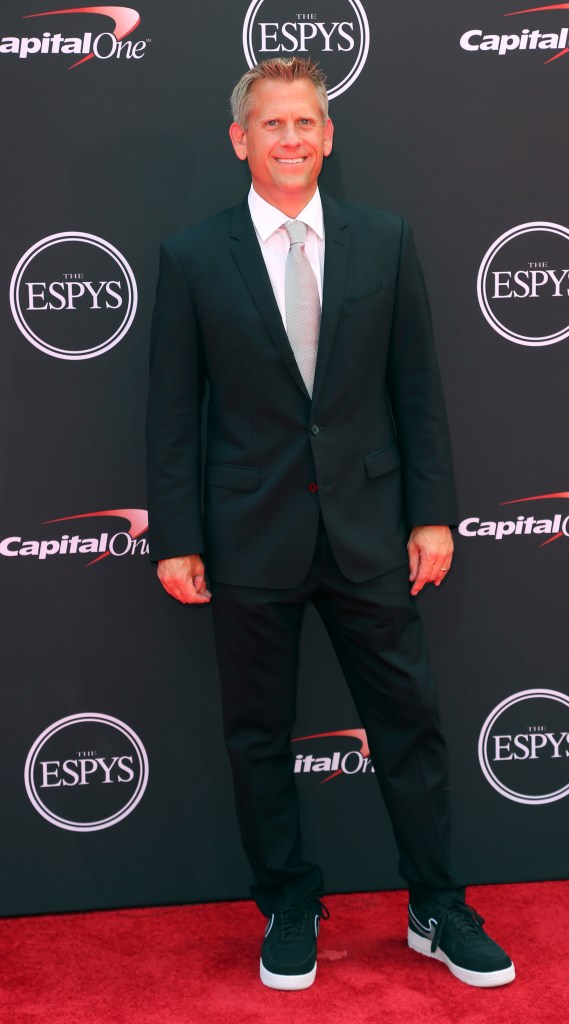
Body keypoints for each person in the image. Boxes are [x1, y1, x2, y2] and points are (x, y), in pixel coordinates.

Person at [146, 56, 514, 992]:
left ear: (329, 134)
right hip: (247, 537)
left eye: (305, 122)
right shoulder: (192, 256)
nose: (291, 140)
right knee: (258, 736)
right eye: (271, 125)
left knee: (409, 728)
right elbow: (170, 413)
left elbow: (417, 392)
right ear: (240, 140)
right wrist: (178, 536)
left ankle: (436, 904)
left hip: (369, 530)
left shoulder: (383, 241)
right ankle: (289, 904)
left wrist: (432, 515)